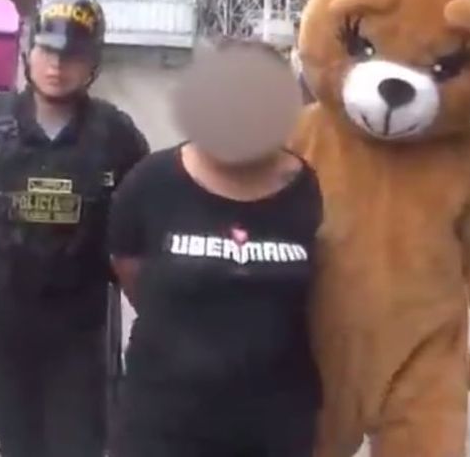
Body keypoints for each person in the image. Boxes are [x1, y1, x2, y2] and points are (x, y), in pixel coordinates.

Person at [0, 0, 150, 457]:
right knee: (17, 439)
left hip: (80, 325)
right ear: (28, 50)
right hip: (3, 318)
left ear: (93, 62)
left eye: (73, 55)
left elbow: (151, 222)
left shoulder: (117, 136)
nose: (57, 65)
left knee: (78, 442)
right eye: (48, 50)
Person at [108, 37, 322, 457]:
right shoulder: (152, 182)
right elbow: (127, 265)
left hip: (276, 426)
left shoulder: (307, 188)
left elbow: (323, 289)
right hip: (164, 423)